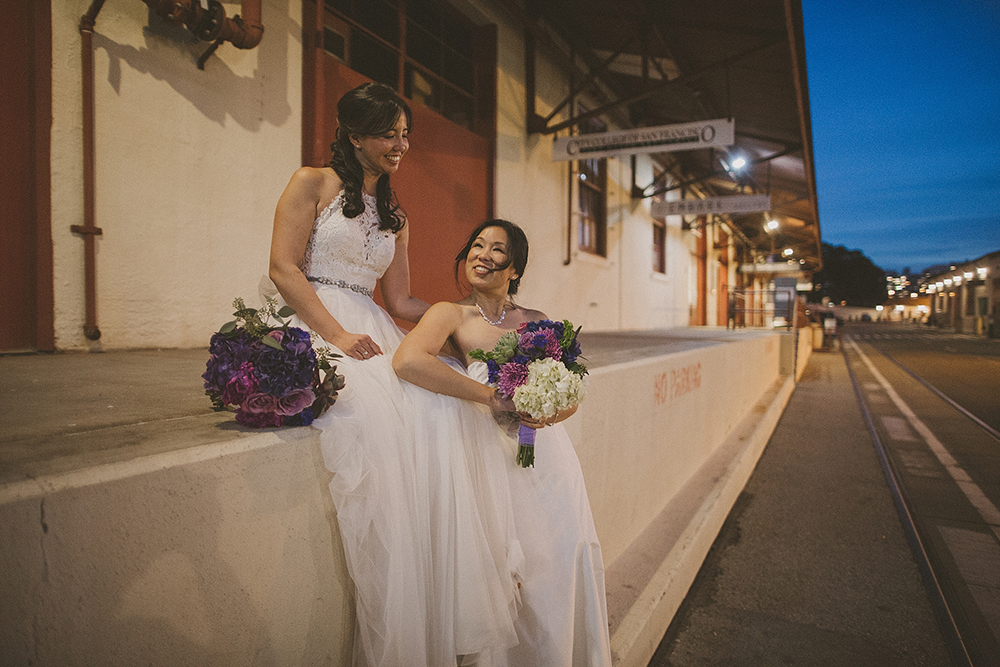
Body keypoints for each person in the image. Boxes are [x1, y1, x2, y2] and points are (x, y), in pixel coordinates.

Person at [269, 82, 519, 666]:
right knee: (378, 416)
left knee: (438, 404)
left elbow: (402, 300)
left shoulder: (395, 213)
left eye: (405, 133)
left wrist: (461, 329)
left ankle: (436, 586)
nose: (401, 144)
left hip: (373, 321)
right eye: (388, 133)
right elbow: (283, 267)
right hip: (315, 318)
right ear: (354, 136)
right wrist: (334, 335)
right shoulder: (312, 182)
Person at [393, 219, 613, 667]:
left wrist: (546, 412)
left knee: (553, 566)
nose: (483, 255)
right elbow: (408, 361)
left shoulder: (538, 321)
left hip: (547, 462)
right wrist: (491, 397)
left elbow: (570, 392)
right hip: (487, 461)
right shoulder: (450, 314)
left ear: (514, 268)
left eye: (497, 249)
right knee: (507, 576)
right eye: (476, 245)